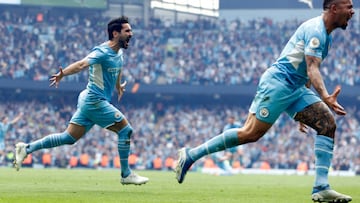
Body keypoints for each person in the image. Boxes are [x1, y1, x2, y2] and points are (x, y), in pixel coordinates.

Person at [175, 0, 354, 202]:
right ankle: (191, 154)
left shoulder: (325, 35)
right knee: (250, 133)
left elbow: (305, 71)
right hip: (279, 84)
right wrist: (325, 95)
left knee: (326, 123)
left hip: (295, 87)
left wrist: (306, 110)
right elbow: (312, 68)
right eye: (348, 7)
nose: (352, 11)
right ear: (334, 8)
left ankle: (321, 187)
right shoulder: (316, 31)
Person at [13, 16, 149, 185]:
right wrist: (63, 74)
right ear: (115, 33)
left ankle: (26, 148)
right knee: (125, 130)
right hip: (94, 100)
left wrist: (118, 85)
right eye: (127, 31)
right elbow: (81, 65)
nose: (131, 33)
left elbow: (117, 68)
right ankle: (126, 174)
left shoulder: (119, 53)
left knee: (68, 138)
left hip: (89, 100)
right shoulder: (101, 52)